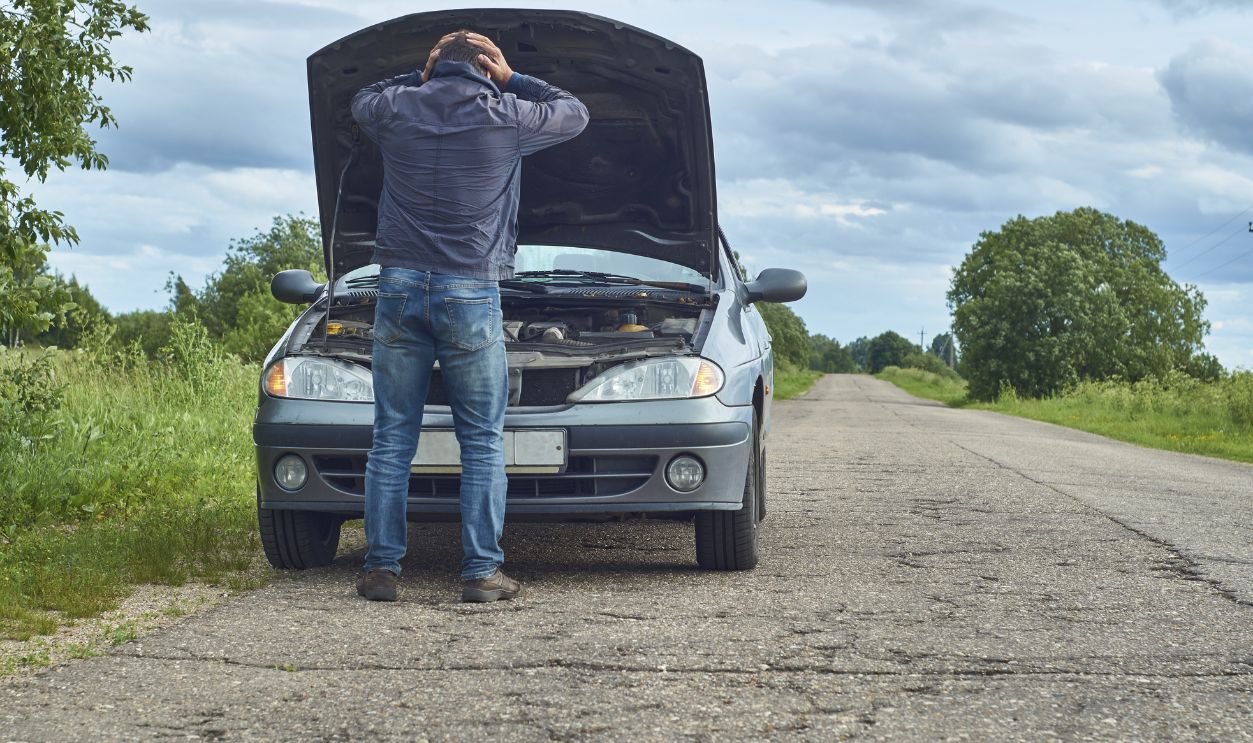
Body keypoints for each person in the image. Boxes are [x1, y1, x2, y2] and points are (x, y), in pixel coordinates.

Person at [350, 31, 589, 602]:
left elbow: (361, 98)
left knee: (391, 438)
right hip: (470, 292)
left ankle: (382, 570)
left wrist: (419, 74)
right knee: (481, 440)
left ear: (436, 64)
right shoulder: (508, 113)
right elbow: (575, 113)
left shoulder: (397, 106)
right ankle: (481, 573)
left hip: (399, 286)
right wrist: (514, 78)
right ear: (486, 67)